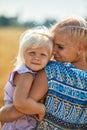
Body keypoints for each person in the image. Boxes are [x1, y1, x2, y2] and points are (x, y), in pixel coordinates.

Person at [0, 16, 87, 130]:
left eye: (60, 47)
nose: (53, 52)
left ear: (80, 48)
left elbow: (20, 107)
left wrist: (2, 114)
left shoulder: (52, 71)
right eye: (53, 45)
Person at [0, 27, 53, 130]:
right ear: (23, 53)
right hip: (18, 125)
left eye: (43, 55)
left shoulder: (32, 73)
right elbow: (20, 103)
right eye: (32, 53)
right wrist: (41, 109)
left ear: (49, 58)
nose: (36, 57)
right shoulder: (26, 75)